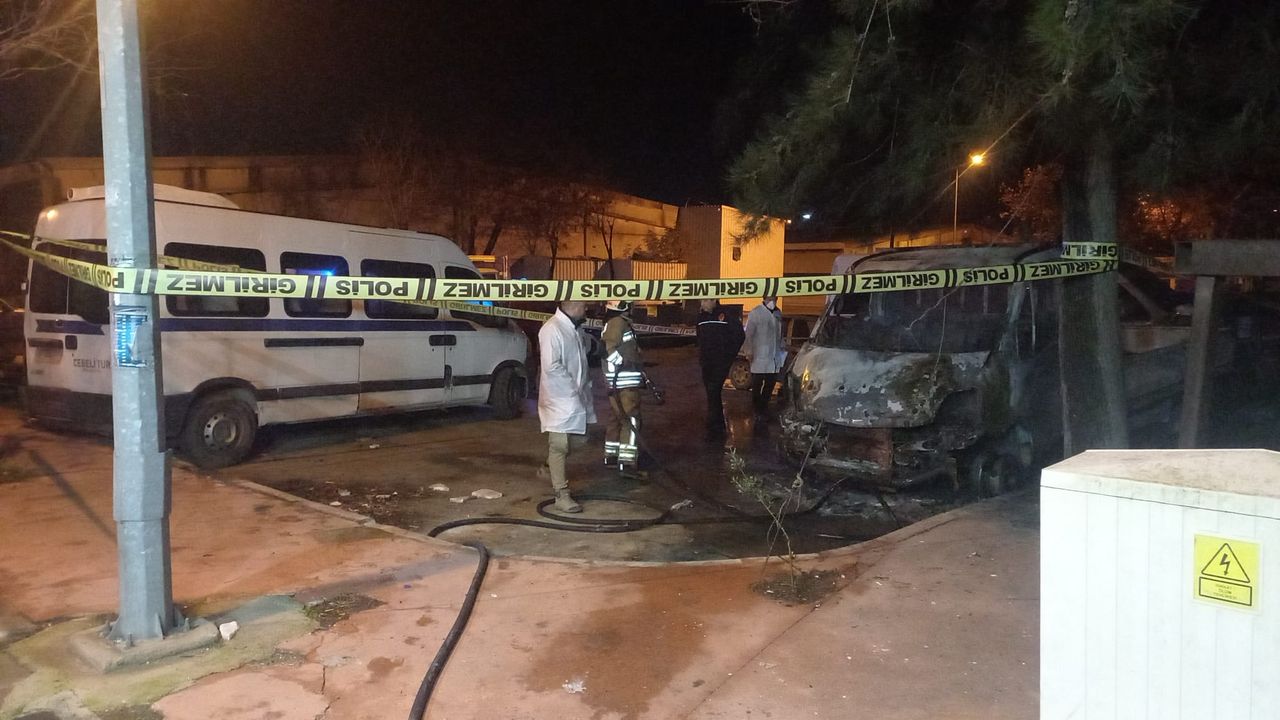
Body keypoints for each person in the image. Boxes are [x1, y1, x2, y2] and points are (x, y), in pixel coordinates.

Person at [537, 300, 596, 512]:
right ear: (573, 305)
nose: (586, 308)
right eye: (584, 304)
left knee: (581, 438)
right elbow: (552, 366)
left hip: (576, 397)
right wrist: (571, 389)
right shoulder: (551, 329)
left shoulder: (575, 329)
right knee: (559, 445)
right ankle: (561, 495)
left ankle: (549, 466)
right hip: (559, 398)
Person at [601, 299, 645, 473]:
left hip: (618, 382)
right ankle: (627, 462)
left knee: (616, 418)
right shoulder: (618, 323)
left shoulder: (616, 323)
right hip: (624, 382)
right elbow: (608, 348)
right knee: (631, 419)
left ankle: (612, 455)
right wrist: (624, 363)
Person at [696, 299, 744, 438]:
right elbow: (700, 337)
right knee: (712, 394)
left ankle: (713, 427)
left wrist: (729, 355)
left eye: (705, 300)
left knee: (713, 390)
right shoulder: (701, 317)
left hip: (721, 362)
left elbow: (739, 335)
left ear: (713, 300)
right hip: (706, 362)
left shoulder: (726, 315)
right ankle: (718, 424)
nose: (702, 304)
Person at [743, 294, 785, 420]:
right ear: (764, 299)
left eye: (774, 299)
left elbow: (779, 334)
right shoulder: (756, 313)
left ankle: (764, 408)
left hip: (773, 356)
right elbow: (748, 335)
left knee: (770, 384)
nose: (772, 301)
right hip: (759, 356)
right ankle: (757, 410)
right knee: (757, 385)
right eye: (770, 299)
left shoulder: (778, 313)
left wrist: (782, 348)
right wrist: (748, 351)